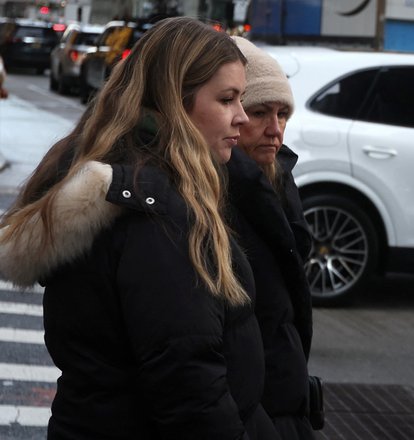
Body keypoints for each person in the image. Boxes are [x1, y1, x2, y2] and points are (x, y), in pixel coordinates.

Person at [0, 17, 278, 439]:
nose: (241, 117)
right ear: (174, 102)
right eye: (227, 99)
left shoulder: (147, 188)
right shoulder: (156, 212)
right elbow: (188, 386)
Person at [226, 36, 316, 439]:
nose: (275, 129)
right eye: (260, 112)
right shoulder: (220, 191)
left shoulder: (278, 179)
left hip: (282, 396)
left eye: (283, 114)